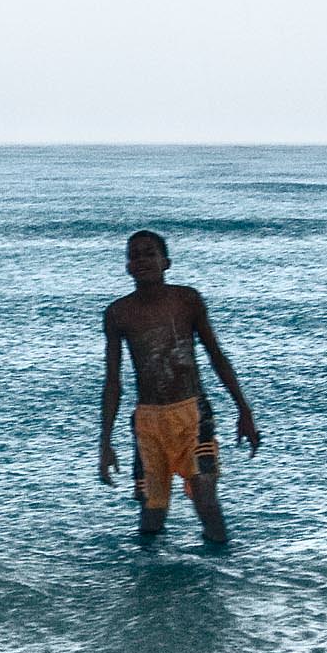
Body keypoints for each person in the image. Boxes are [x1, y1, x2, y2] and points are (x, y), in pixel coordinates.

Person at [97, 229, 260, 546]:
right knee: (151, 512)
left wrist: (244, 411)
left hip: (192, 414)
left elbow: (216, 356)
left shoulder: (186, 300)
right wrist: (105, 443)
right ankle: (149, 588)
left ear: (166, 262)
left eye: (149, 253)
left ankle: (220, 579)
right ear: (127, 266)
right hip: (148, 423)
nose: (142, 260)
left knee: (206, 501)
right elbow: (113, 382)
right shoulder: (119, 314)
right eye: (135, 255)